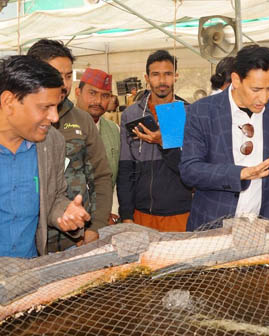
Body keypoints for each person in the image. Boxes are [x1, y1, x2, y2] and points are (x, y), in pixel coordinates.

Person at [0, 56, 90, 296]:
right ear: (9, 101)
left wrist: (65, 212)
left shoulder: (52, 142)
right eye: (45, 107)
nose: (55, 118)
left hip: (26, 280)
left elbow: (53, 198)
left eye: (57, 106)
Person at [180, 45, 269, 230]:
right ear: (236, 79)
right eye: (256, 89)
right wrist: (239, 174)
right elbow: (190, 170)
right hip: (212, 225)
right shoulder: (202, 111)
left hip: (265, 226)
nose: (264, 98)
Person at [28, 39, 113, 251]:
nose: (64, 84)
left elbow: (101, 176)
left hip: (75, 240)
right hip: (31, 243)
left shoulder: (82, 120)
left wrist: (96, 226)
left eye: (68, 76)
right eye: (57, 75)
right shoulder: (23, 120)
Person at [118, 50, 192, 232]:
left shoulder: (184, 112)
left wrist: (163, 142)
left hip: (180, 213)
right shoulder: (132, 114)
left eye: (168, 74)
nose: (162, 81)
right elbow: (125, 168)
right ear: (147, 77)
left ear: (176, 76)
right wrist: (126, 214)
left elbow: (187, 169)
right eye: (156, 74)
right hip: (141, 213)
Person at [75, 68, 121, 225]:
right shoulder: (59, 127)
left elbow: (115, 178)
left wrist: (113, 211)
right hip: (69, 221)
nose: (98, 101)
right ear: (77, 92)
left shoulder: (114, 129)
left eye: (105, 95)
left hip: (106, 218)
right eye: (92, 93)